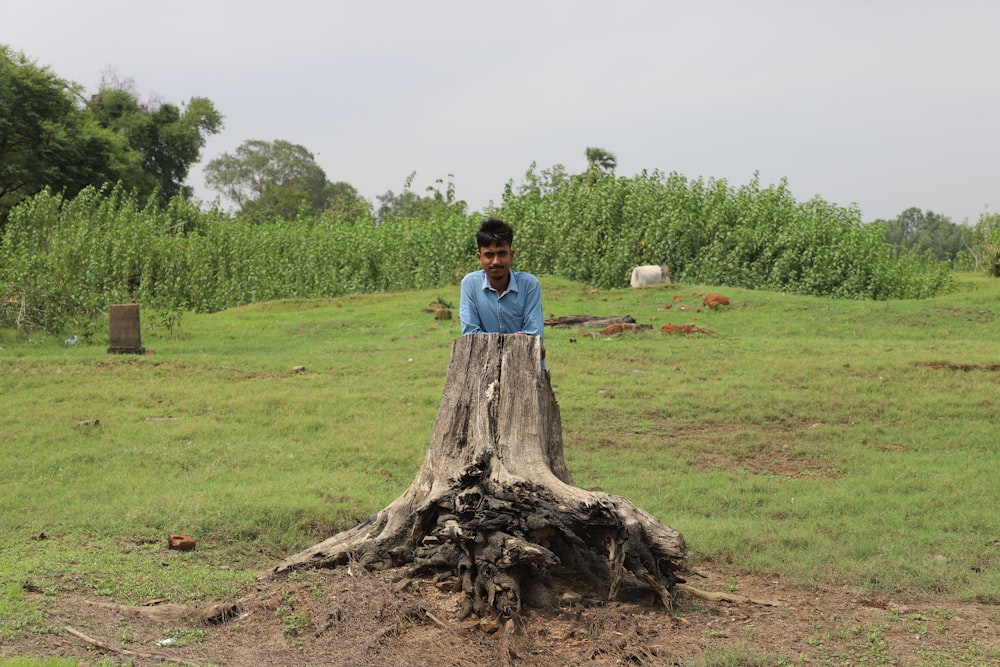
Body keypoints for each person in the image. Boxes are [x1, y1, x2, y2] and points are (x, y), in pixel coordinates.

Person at [459, 217, 545, 362]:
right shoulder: (470, 284)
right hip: (484, 368)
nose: (496, 262)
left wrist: (492, 343)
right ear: (479, 257)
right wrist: (519, 341)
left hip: (525, 367)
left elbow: (533, 336)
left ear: (511, 255)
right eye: (489, 255)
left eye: (502, 254)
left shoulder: (529, 285)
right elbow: (471, 337)